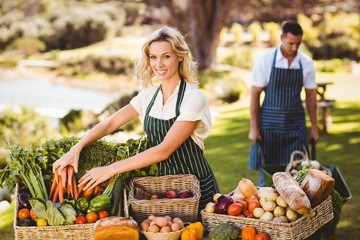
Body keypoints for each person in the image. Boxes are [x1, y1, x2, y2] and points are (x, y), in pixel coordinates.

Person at [52, 26, 220, 216]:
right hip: (162, 187)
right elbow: (109, 124)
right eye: (153, 57)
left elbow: (163, 150)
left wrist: (109, 170)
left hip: (195, 187)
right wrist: (76, 148)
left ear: (180, 56)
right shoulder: (148, 96)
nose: (159, 64)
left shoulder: (193, 98)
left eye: (166, 56)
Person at [247, 21, 319, 186]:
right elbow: (255, 94)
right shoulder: (265, 60)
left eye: (298, 44)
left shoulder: (305, 63)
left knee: (299, 175)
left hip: (296, 125)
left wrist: (314, 127)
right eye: (291, 43)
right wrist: (254, 127)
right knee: (268, 177)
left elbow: (310, 96)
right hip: (269, 127)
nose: (294, 48)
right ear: (281, 38)